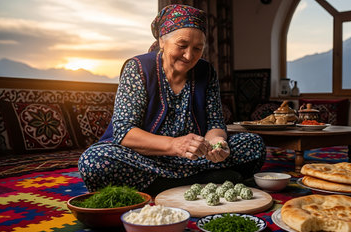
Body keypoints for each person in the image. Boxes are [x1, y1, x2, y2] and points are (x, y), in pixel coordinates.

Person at [78, 4, 266, 195]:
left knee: (253, 145)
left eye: (198, 48)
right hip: (147, 158)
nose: (189, 55)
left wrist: (216, 145)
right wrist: (174, 145)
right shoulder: (138, 68)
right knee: (94, 161)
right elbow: (124, 132)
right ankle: (201, 181)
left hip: (195, 157)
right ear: (162, 41)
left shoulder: (206, 72)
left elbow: (215, 124)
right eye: (182, 45)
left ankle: (163, 185)